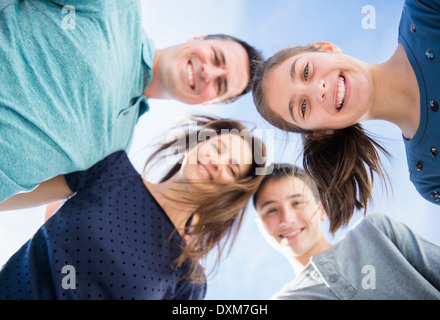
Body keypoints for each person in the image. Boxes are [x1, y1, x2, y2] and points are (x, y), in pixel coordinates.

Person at [0, 0, 263, 203]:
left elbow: (26, 196)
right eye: (217, 58)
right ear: (198, 39)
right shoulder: (117, 7)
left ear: (208, 103)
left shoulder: (116, 152)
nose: (210, 72)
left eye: (220, 84)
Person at [0, 115, 267, 300]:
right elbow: (8, 191)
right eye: (217, 147)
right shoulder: (110, 169)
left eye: (231, 168)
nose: (218, 161)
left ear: (230, 193)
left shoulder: (189, 278)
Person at [252, 0, 440, 233]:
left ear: (326, 48)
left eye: (306, 72)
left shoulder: (423, 10)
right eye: (302, 107)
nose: (318, 90)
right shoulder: (430, 176)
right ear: (320, 132)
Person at [253, 163, 440, 299]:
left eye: (297, 202)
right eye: (271, 210)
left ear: (321, 210)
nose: (287, 219)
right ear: (260, 227)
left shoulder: (376, 231)